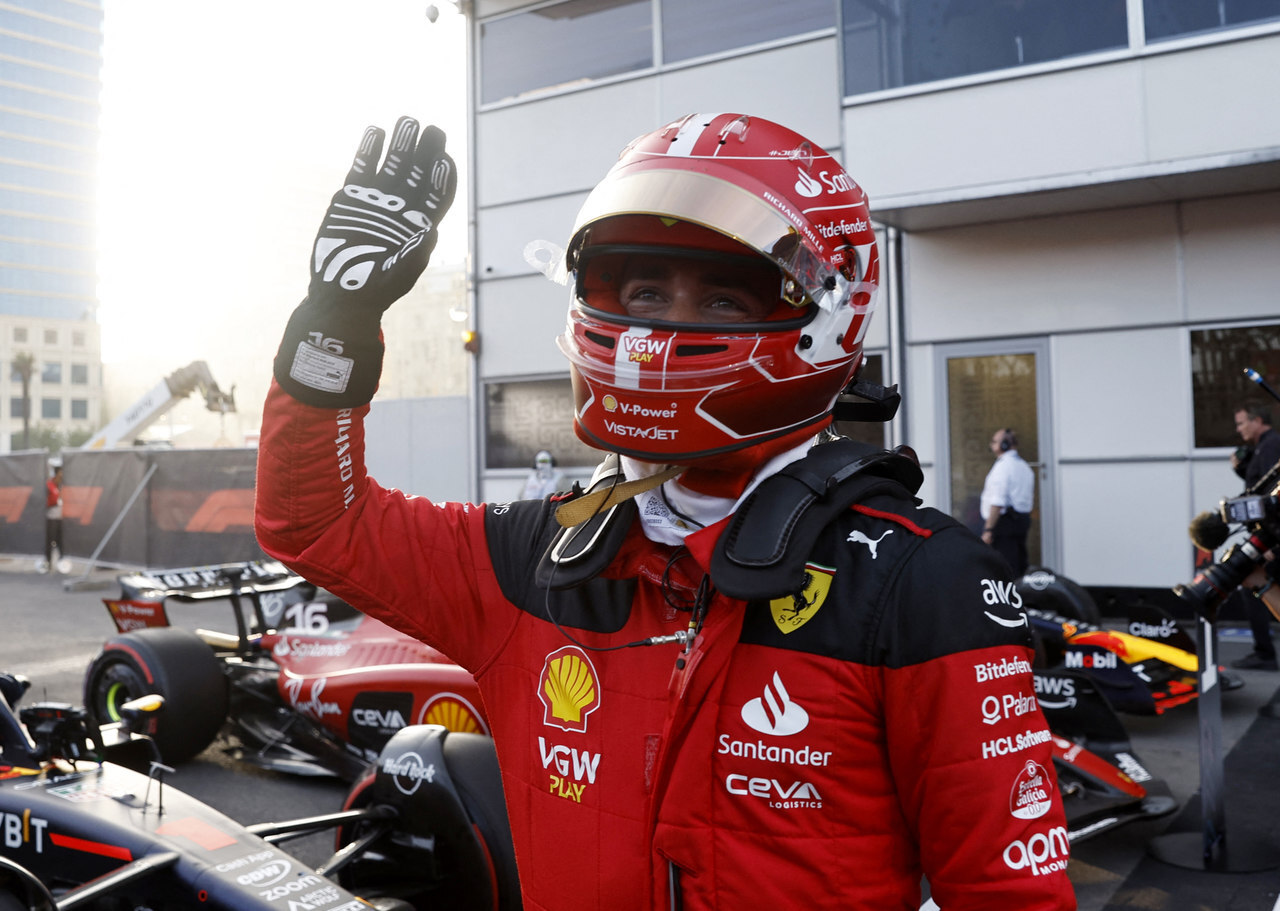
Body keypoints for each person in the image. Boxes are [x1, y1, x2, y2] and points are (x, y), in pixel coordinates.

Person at [255, 113, 1074, 910]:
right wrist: (339, 318)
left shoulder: (920, 581)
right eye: (645, 290)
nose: (660, 332)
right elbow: (316, 523)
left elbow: (1011, 894)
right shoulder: (535, 554)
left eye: (722, 300)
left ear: (827, 318)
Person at [1229, 403, 1280, 670]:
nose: (1239, 430)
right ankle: (1264, 652)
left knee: (1254, 586)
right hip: (1267, 534)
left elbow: (1273, 495)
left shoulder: (1271, 445)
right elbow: (1258, 487)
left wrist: (1271, 542)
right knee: (1254, 587)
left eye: (1241, 423)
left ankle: (1264, 654)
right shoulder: (1262, 447)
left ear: (1257, 420)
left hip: (1270, 536)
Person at [979, 427, 1036, 576]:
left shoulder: (1003, 467)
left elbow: (998, 501)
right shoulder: (1024, 467)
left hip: (1005, 523)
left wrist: (988, 529)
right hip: (1020, 520)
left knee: (1004, 566)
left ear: (1004, 445)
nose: (991, 445)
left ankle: (1008, 597)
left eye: (994, 441)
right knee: (1018, 563)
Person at [42, 463, 63, 572]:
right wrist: (56, 499)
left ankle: (62, 563)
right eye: (61, 472)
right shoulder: (49, 485)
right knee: (50, 542)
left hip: (61, 519)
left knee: (61, 542)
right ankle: (48, 563)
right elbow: (46, 502)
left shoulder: (63, 485)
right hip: (52, 519)